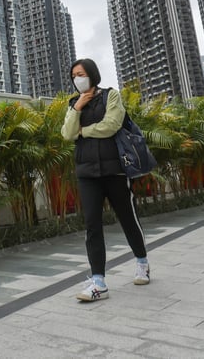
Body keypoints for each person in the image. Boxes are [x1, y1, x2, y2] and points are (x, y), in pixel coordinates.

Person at [61, 58, 150, 302]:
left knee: (127, 219)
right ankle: (98, 281)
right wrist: (77, 108)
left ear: (91, 74)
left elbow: (111, 125)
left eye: (80, 74)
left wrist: (84, 131)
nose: (77, 79)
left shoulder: (110, 96)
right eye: (73, 76)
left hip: (115, 171)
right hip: (87, 174)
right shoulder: (72, 103)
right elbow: (67, 134)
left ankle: (142, 261)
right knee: (92, 226)